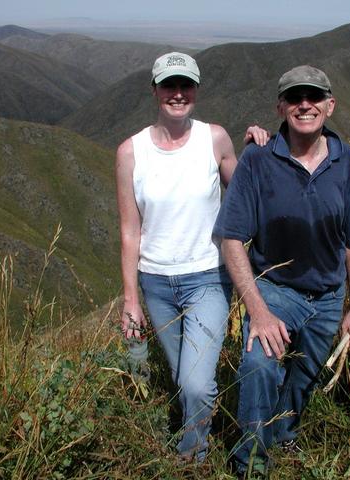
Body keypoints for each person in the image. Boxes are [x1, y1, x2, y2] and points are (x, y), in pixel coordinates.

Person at [213, 65, 350, 475]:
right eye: (295, 97)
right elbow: (231, 237)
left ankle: (283, 436)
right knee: (259, 365)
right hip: (276, 290)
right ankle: (250, 461)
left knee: (304, 376)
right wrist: (260, 311)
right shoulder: (258, 160)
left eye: (315, 96)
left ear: (330, 105)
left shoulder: (345, 160)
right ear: (281, 106)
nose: (306, 104)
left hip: (327, 295)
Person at [115, 52, 266, 462]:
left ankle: (191, 457)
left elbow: (245, 190)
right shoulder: (130, 152)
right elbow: (130, 230)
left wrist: (257, 146)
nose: (177, 94)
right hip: (156, 283)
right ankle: (194, 433)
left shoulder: (214, 138)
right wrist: (131, 299)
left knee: (196, 383)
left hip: (207, 278)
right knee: (184, 380)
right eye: (169, 85)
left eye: (186, 86)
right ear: (155, 90)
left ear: (196, 90)